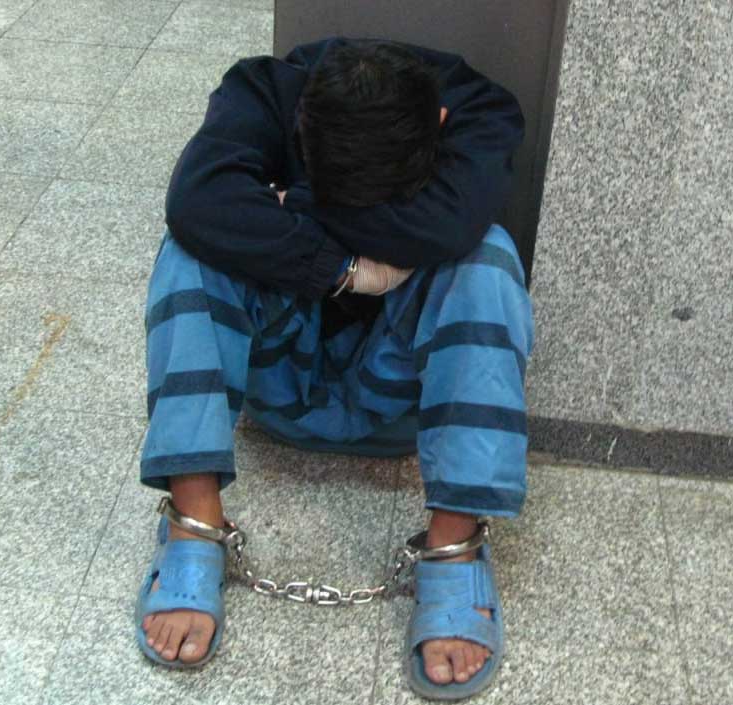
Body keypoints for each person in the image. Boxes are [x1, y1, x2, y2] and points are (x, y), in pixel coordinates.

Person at [134, 35, 533, 700]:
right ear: (300, 128)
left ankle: (454, 545)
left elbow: (453, 224)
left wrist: (293, 203)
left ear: (440, 125)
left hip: (404, 393)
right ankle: (194, 522)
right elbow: (194, 202)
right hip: (281, 370)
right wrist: (346, 268)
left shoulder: (478, 112)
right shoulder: (262, 92)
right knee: (191, 248)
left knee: (486, 259)